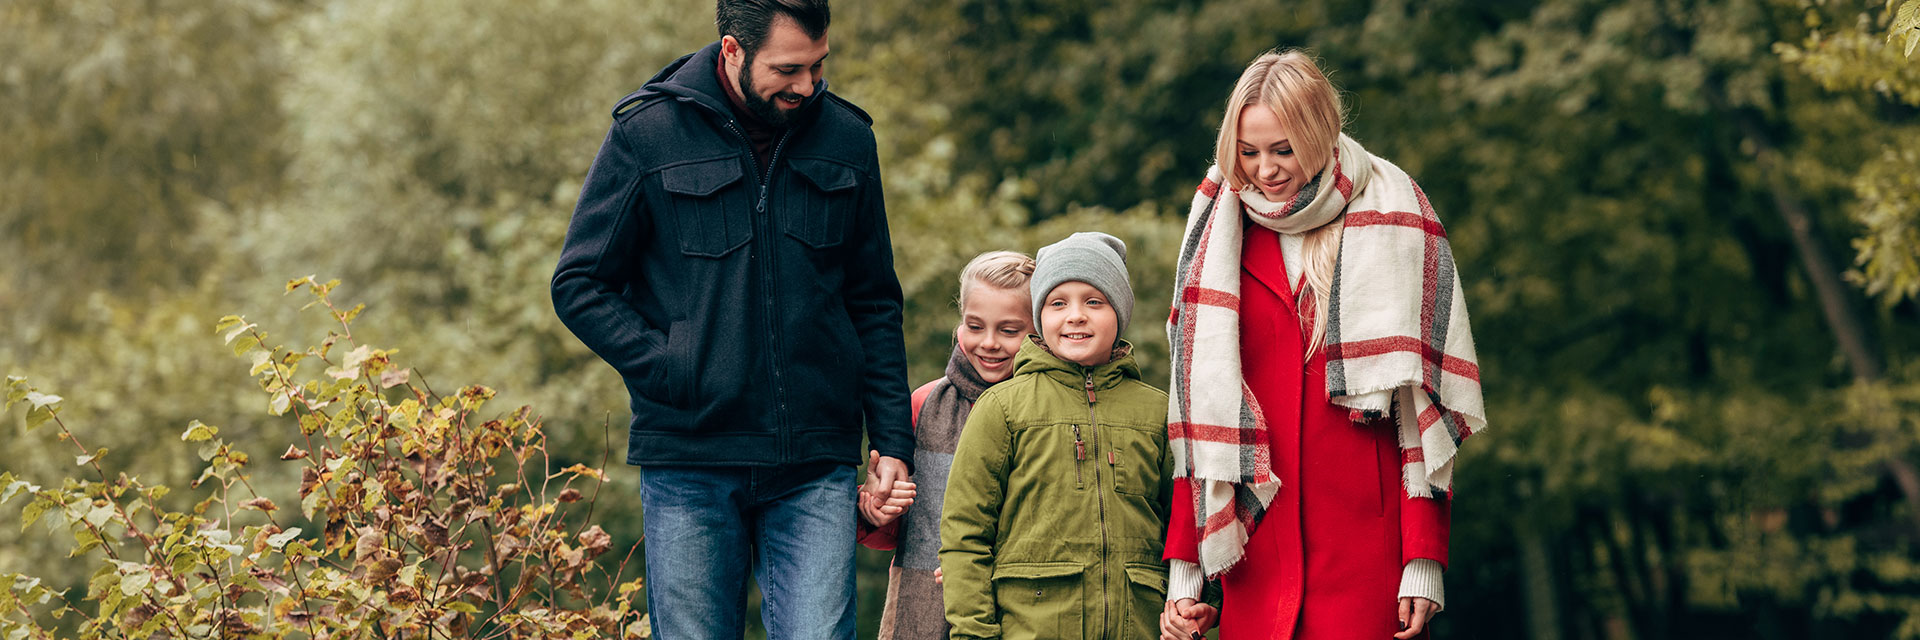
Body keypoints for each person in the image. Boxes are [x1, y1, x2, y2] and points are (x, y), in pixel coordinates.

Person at [548, 0, 912, 637]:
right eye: (789, 69)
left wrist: (891, 440)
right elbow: (580, 284)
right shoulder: (648, 133)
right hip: (689, 457)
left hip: (816, 460)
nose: (808, 85)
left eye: (819, 65)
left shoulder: (850, 138)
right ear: (732, 51)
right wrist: (675, 370)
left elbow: (874, 302)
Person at [1161, 50, 1488, 640]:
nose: (1265, 170)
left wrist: (1423, 558)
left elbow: (1422, 407)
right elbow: (1196, 413)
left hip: (1367, 547)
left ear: (1318, 133)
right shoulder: (1216, 234)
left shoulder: (1394, 215)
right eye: (1249, 151)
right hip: (1256, 547)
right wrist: (1185, 574)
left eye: (1282, 149)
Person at [940, 232, 1174, 640]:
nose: (1076, 315)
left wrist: (1200, 600)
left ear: (1121, 311)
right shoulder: (1002, 408)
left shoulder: (1157, 413)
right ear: (1039, 316)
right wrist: (974, 633)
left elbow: (1186, 526)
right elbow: (965, 535)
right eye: (1057, 302)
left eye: (1094, 302)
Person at [855, 250, 1036, 640]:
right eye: (975, 326)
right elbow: (896, 533)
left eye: (1009, 331)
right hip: (922, 608)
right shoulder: (922, 405)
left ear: (1036, 332)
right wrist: (876, 511)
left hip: (1022, 609)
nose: (989, 343)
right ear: (959, 326)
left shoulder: (1046, 412)